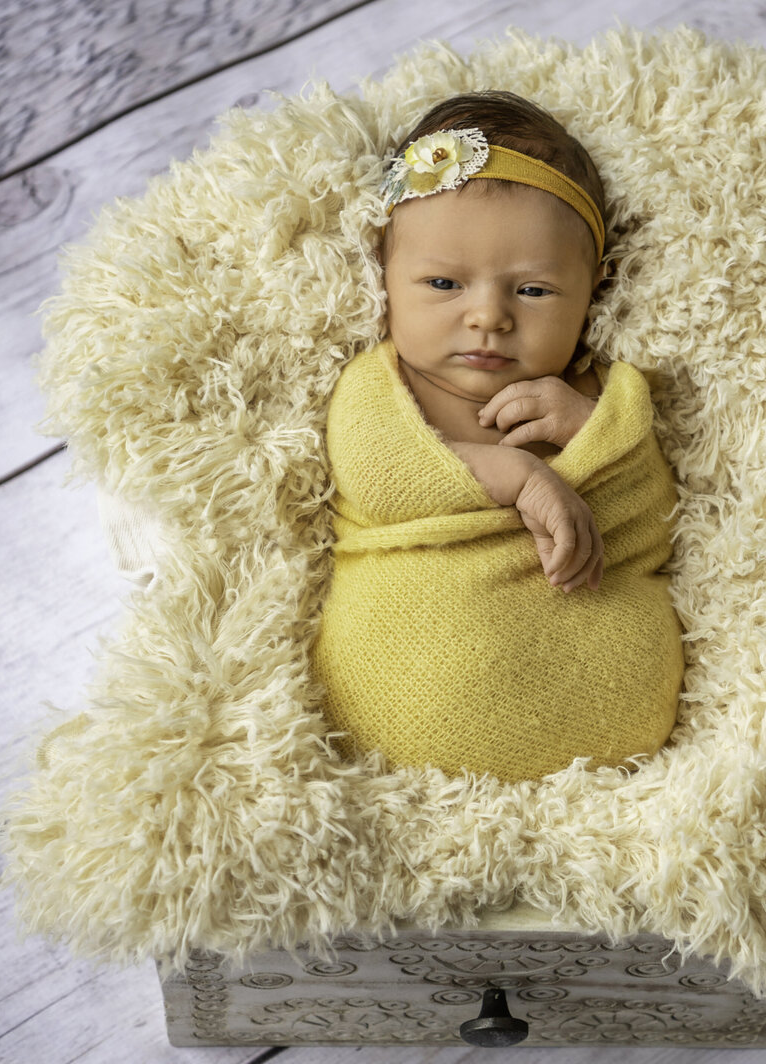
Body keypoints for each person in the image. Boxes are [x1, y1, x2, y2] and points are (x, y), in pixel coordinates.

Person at [311, 91, 683, 781]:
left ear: (593, 292)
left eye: (534, 291)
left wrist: (592, 433)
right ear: (386, 278)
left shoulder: (600, 395)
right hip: (408, 671)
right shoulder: (383, 382)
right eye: (444, 282)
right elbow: (378, 475)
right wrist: (521, 475)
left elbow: (655, 520)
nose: (488, 316)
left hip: (607, 695)